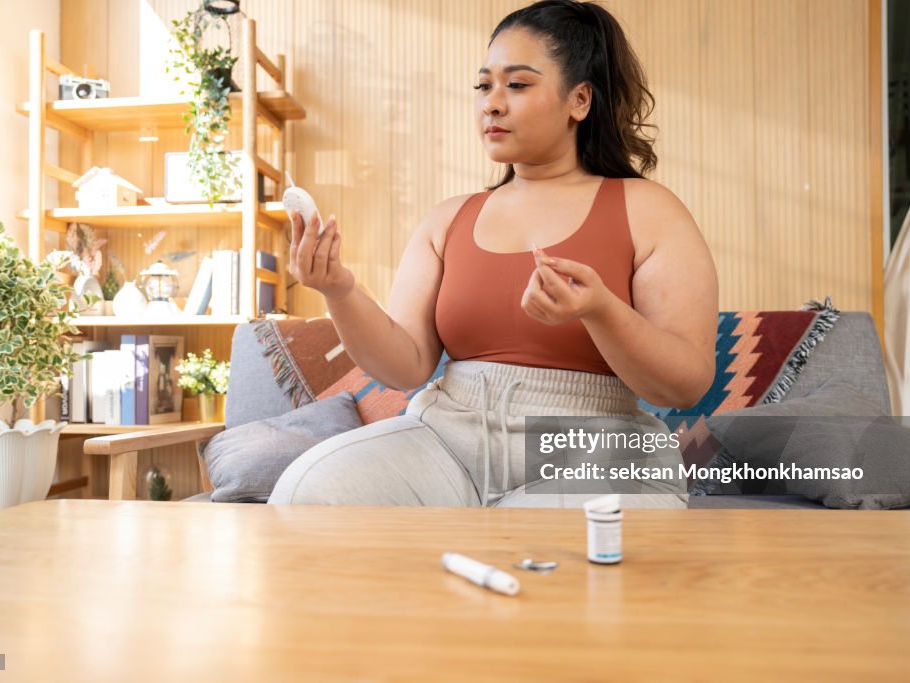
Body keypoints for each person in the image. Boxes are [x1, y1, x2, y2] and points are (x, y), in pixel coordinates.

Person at [268, 0, 718, 509]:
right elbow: (407, 366)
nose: (492, 103)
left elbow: (686, 384)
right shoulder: (448, 219)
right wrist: (338, 289)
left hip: (592, 447)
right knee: (308, 493)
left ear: (580, 100)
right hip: (447, 439)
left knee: (545, 555)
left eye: (517, 85)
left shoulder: (648, 209)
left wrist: (600, 311)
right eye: (484, 86)